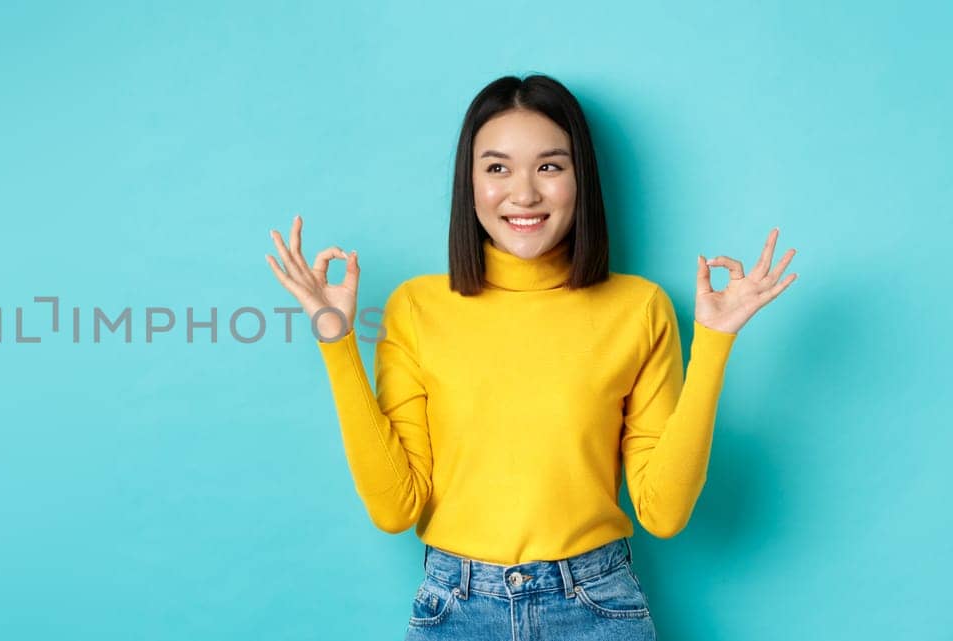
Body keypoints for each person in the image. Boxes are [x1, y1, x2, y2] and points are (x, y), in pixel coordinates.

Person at [264, 74, 798, 640]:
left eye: (549, 166)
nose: (523, 194)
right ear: (469, 184)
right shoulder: (416, 307)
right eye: (497, 168)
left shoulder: (639, 308)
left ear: (580, 179)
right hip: (456, 607)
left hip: (595, 606)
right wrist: (335, 339)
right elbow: (396, 507)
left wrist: (714, 343)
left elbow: (663, 514)